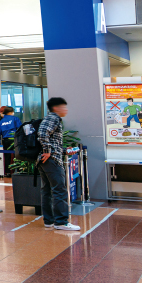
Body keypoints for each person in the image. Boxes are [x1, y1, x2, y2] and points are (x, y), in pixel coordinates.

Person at [38, 98, 80, 231]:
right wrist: (47, 151)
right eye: (64, 107)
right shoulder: (53, 118)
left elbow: (49, 139)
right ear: (56, 108)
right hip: (52, 161)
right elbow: (42, 133)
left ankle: (49, 221)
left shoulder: (51, 118)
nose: (66, 110)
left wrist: (62, 151)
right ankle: (61, 222)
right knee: (59, 190)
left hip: (46, 160)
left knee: (46, 191)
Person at [0, 106, 22, 174]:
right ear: (11, 112)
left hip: (5, 140)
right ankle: (18, 171)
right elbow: (20, 129)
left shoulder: (2, 121)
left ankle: (7, 172)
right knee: (17, 155)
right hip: (14, 140)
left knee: (7, 156)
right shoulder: (15, 119)